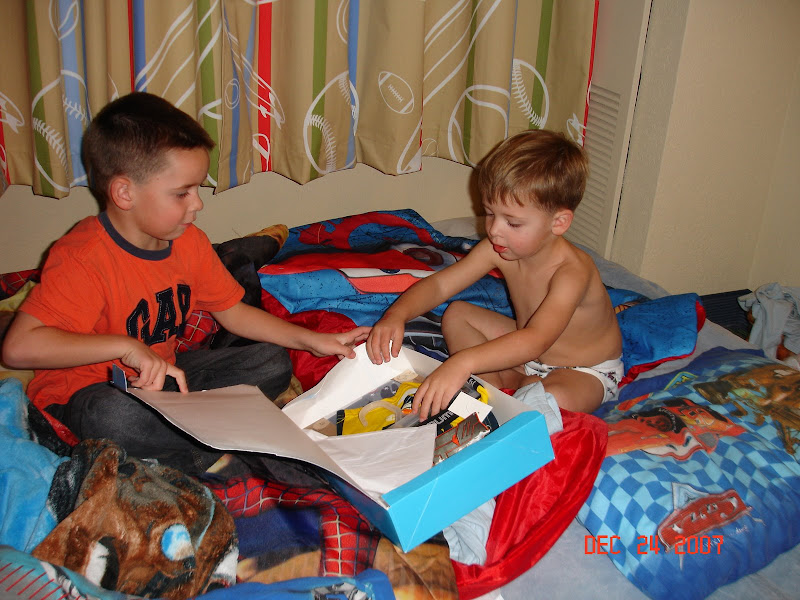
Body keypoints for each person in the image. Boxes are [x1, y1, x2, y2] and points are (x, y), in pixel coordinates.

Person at [2, 92, 370, 475]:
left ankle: (190, 441)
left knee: (270, 361)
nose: (197, 204)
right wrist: (126, 347)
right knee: (110, 416)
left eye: (196, 190)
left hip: (164, 383)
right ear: (125, 193)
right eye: (182, 193)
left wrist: (311, 340)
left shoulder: (187, 241)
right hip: (87, 395)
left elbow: (233, 313)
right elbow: (18, 348)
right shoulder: (84, 256)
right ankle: (208, 449)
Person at [366, 129, 623, 418]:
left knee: (550, 400)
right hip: (528, 355)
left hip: (582, 370)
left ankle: (507, 388)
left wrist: (462, 362)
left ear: (559, 223)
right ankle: (501, 385)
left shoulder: (572, 272)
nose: (494, 230)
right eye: (490, 213)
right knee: (457, 313)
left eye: (513, 223)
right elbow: (440, 286)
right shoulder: (498, 248)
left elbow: (537, 339)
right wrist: (397, 315)